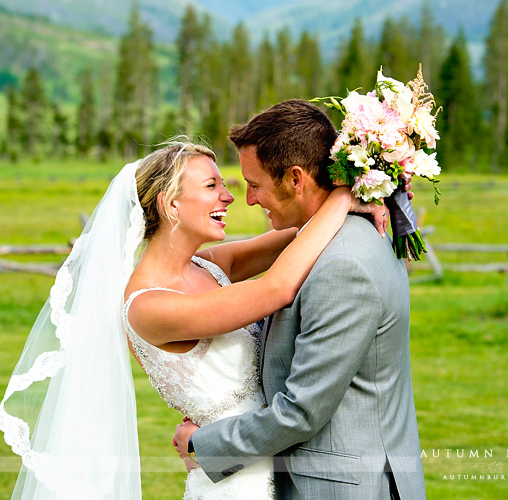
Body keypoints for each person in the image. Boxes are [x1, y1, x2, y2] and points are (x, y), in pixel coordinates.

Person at [0, 140, 389, 500]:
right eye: (211, 186)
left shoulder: (211, 266)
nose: (229, 196)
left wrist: (362, 186)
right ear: (171, 204)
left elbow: (300, 235)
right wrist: (342, 198)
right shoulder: (147, 306)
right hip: (237, 481)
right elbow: (276, 290)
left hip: (262, 456)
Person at [173, 100, 427, 500]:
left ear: (295, 178)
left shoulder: (343, 265)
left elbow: (302, 411)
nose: (250, 200)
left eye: (254, 185)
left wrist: (203, 443)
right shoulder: (330, 238)